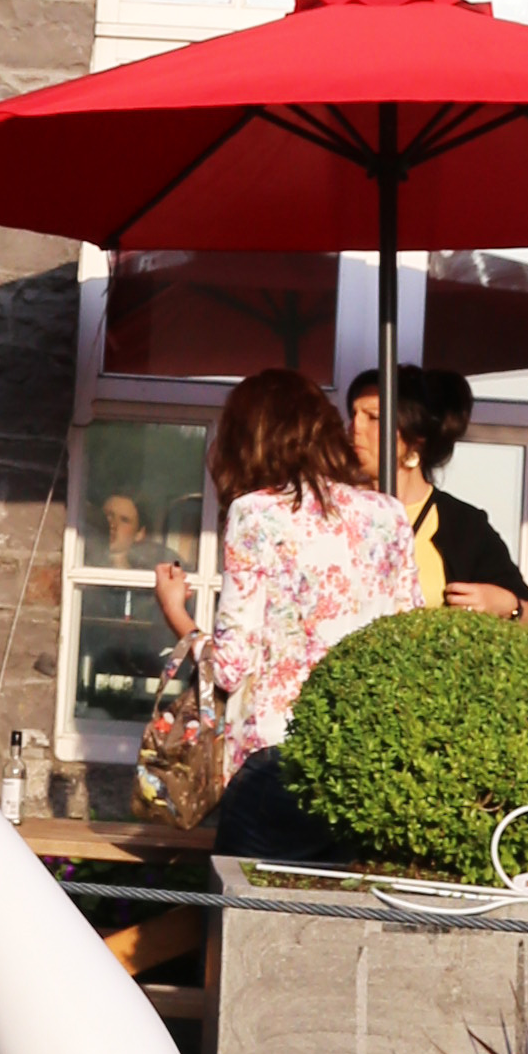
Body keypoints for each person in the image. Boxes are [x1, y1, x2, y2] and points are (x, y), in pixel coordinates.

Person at [199, 365, 418, 859]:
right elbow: (409, 636)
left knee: (245, 909)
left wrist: (183, 627)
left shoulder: (256, 512)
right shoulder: (388, 513)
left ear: (249, 440)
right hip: (363, 763)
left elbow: (231, 666)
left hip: (276, 759)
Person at [346, 366, 528, 625]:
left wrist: (508, 606)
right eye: (353, 415)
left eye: (373, 417)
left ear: (415, 437)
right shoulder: (334, 511)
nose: (354, 427)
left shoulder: (462, 525)